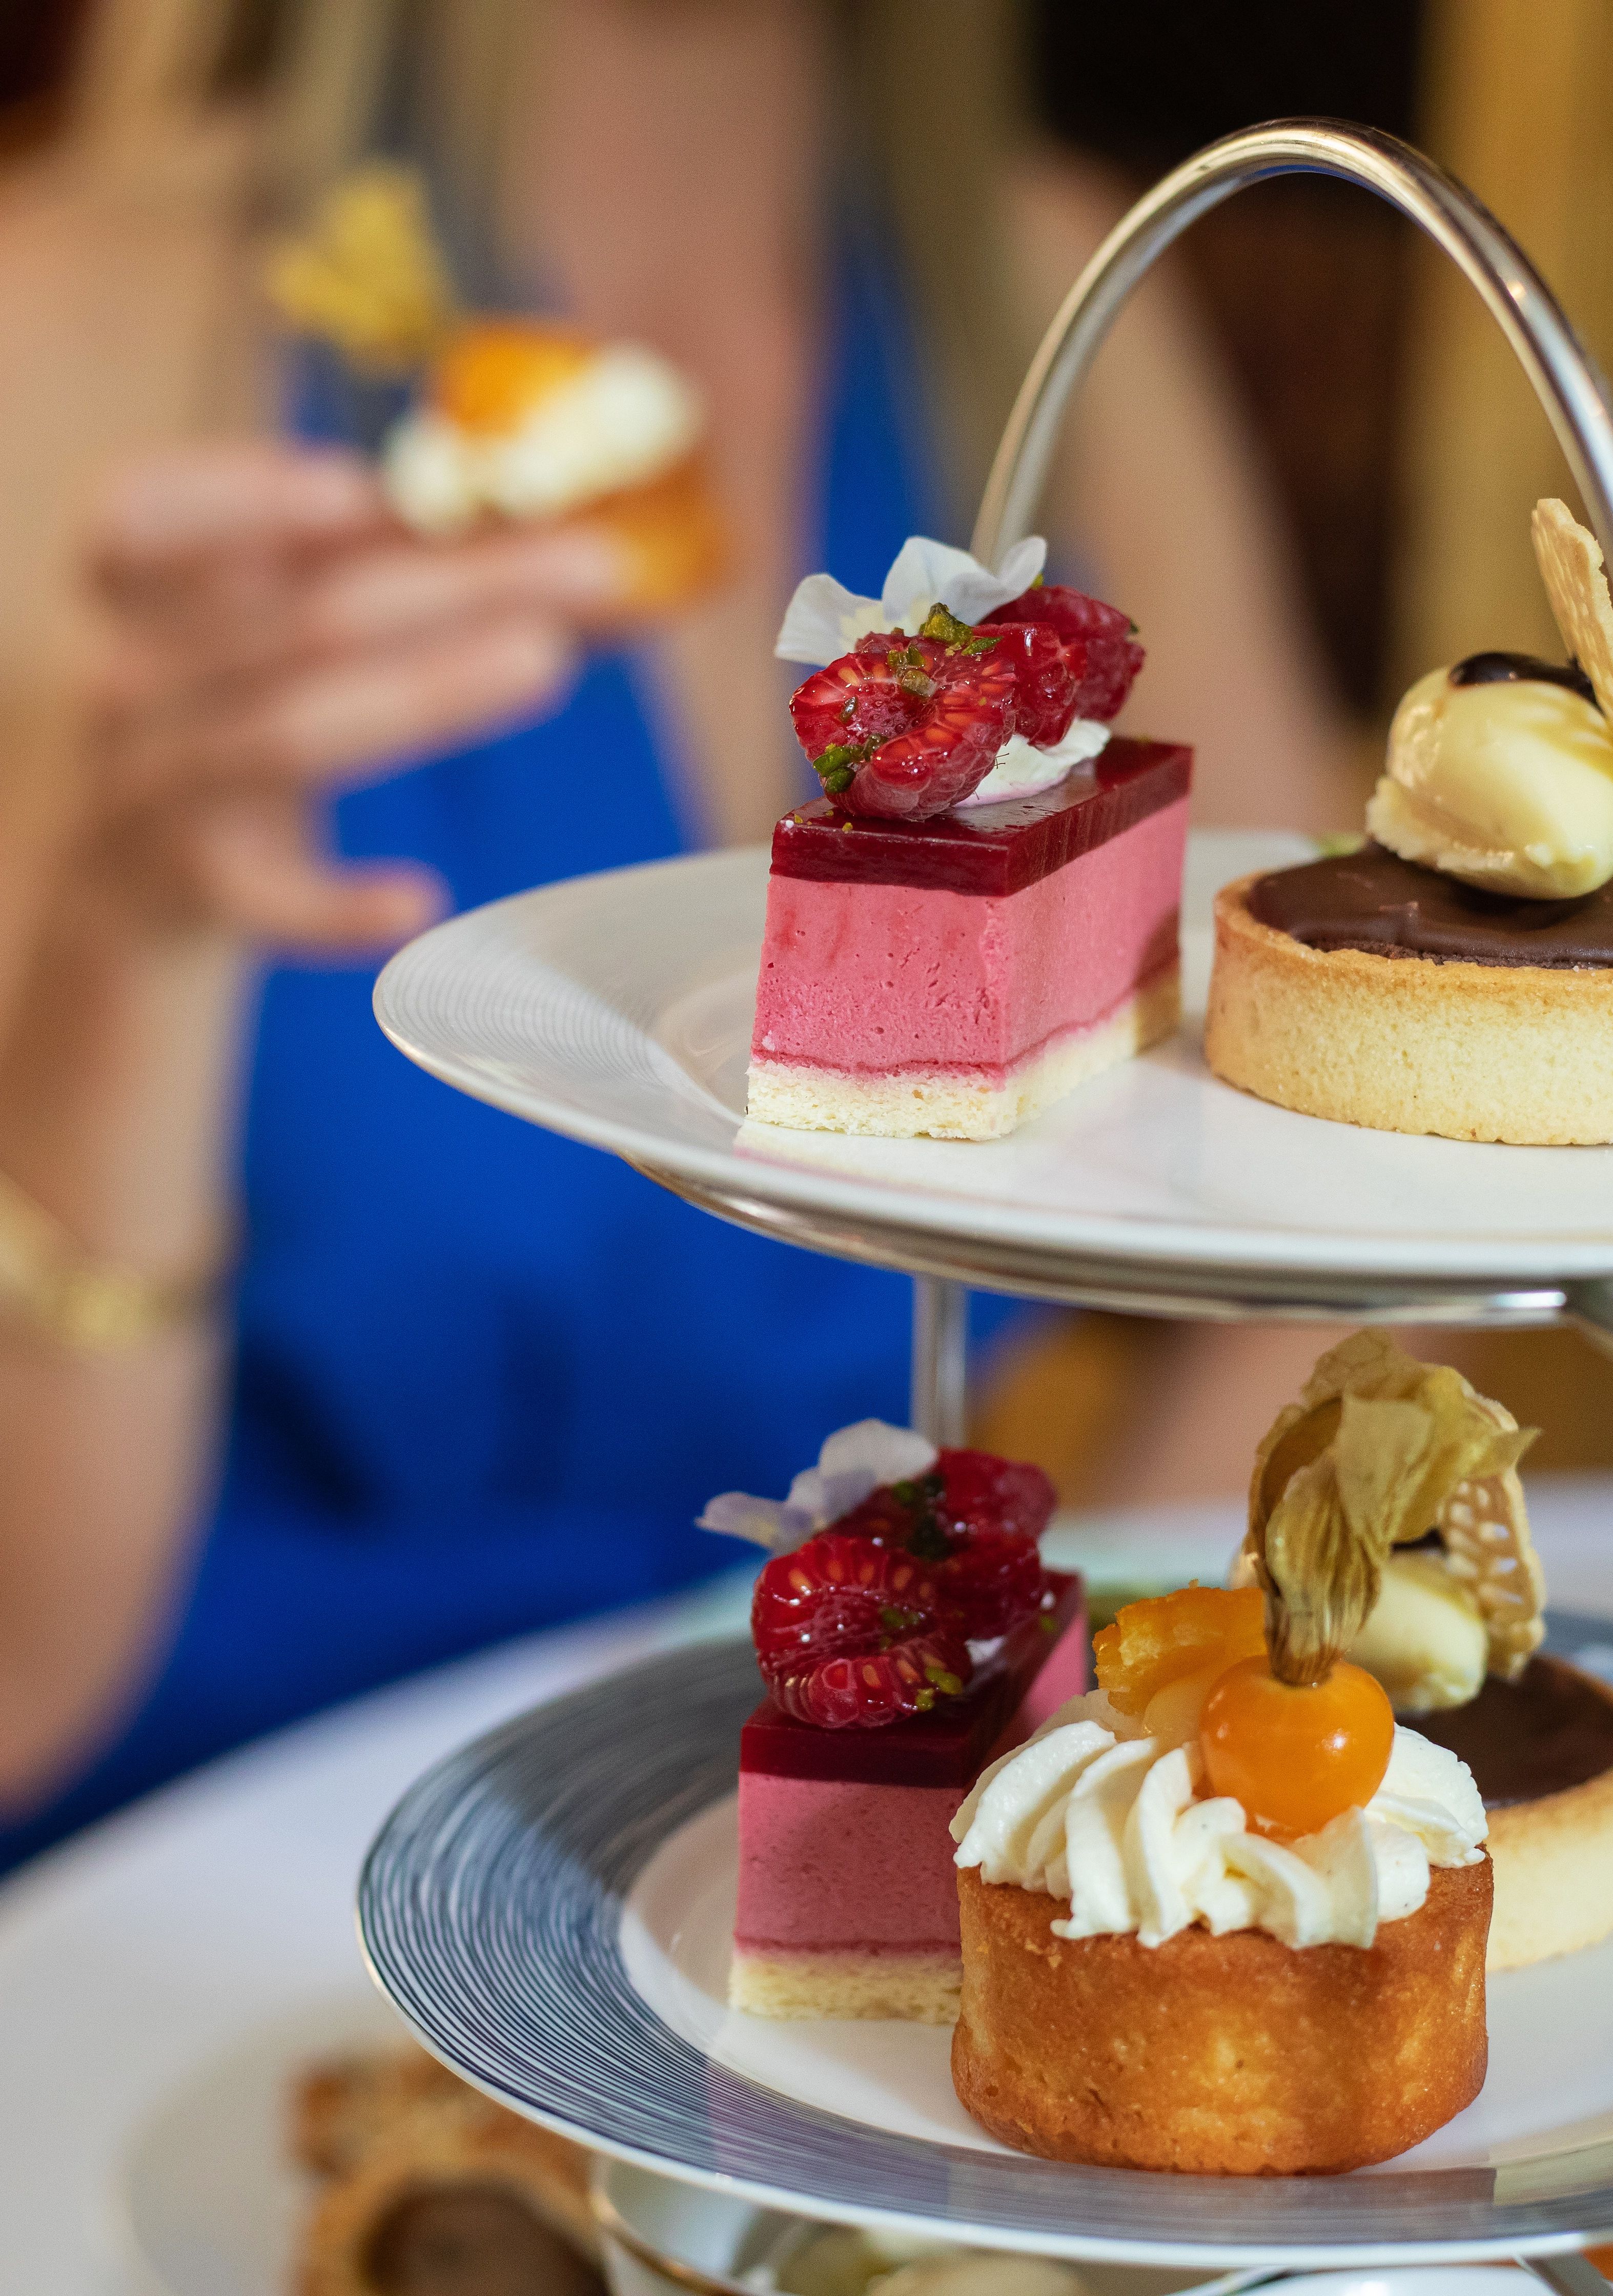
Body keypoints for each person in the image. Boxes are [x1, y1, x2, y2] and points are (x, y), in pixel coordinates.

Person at [0, 0, 1355, 1869]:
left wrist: (1035, 1766)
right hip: (179, 1913)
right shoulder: (64, 334)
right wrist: (121, 950)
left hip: (783, 1909)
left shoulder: (1055, 305)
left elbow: (1349, 1185)